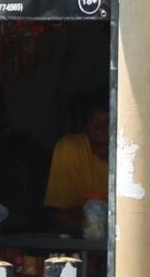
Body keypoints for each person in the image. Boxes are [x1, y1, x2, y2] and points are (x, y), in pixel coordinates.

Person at [43, 99, 110, 235]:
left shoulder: (138, 154)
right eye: (94, 120)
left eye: (109, 121)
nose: (99, 129)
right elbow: (61, 216)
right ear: (85, 126)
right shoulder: (72, 148)